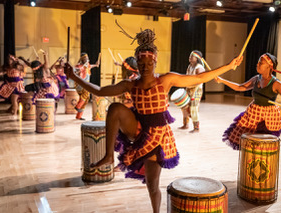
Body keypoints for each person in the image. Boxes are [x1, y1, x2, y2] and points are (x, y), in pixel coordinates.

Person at [66, 29, 242, 213]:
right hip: (138, 128)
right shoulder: (131, 84)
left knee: (152, 184)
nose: (145, 66)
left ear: (155, 61)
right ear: (137, 64)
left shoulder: (165, 80)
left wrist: (229, 66)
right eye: (141, 64)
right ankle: (109, 154)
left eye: (149, 63)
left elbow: (199, 78)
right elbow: (101, 91)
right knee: (115, 109)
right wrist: (73, 76)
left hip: (158, 137)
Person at [215, 53, 281, 150]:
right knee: (249, 141)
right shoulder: (257, 79)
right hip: (254, 113)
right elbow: (240, 87)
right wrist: (222, 81)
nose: (257, 64)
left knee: (263, 145)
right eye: (258, 62)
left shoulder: (276, 84)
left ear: (270, 67)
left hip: (268, 118)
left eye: (261, 63)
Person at [179, 50, 205, 133]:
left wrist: (191, 86)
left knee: (193, 108)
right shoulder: (190, 66)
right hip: (189, 88)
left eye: (191, 56)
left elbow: (200, 80)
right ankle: (185, 124)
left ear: (197, 58)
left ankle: (196, 128)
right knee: (184, 106)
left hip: (196, 90)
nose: (189, 58)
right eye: (190, 56)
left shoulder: (199, 68)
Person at [74, 53, 100, 120]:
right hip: (80, 85)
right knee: (87, 93)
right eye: (85, 58)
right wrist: (82, 68)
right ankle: (78, 106)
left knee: (86, 99)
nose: (86, 60)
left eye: (87, 58)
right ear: (82, 59)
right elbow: (76, 72)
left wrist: (96, 64)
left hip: (85, 85)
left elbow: (90, 66)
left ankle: (79, 116)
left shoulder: (87, 66)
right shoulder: (78, 66)